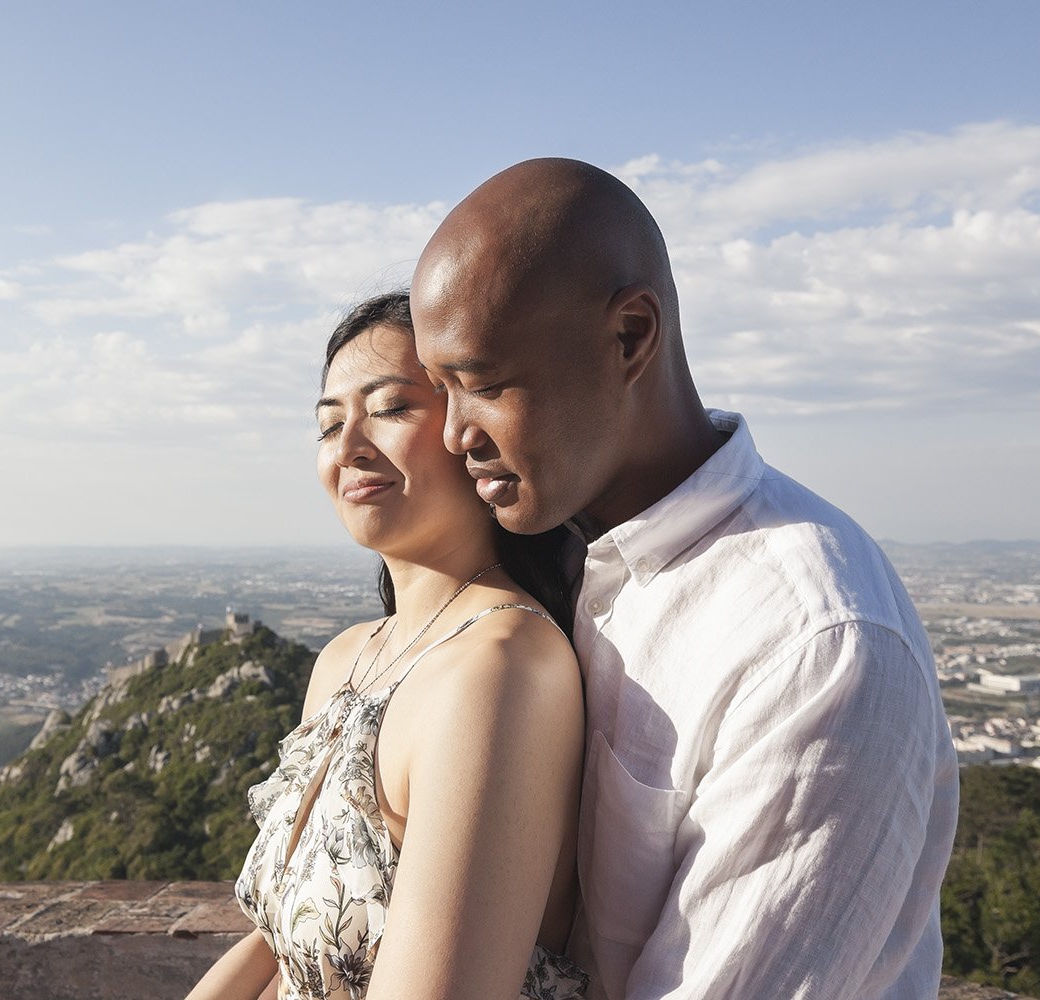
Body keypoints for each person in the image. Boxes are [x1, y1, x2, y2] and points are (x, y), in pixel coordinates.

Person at [409, 158, 959, 1000]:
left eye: (483, 384)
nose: (453, 434)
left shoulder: (815, 645)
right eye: (439, 388)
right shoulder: (551, 557)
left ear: (630, 337)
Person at [186, 292, 590, 1000]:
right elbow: (283, 940)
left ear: (473, 429)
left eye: (392, 408)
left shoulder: (499, 665)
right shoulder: (348, 658)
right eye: (330, 424)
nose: (348, 449)